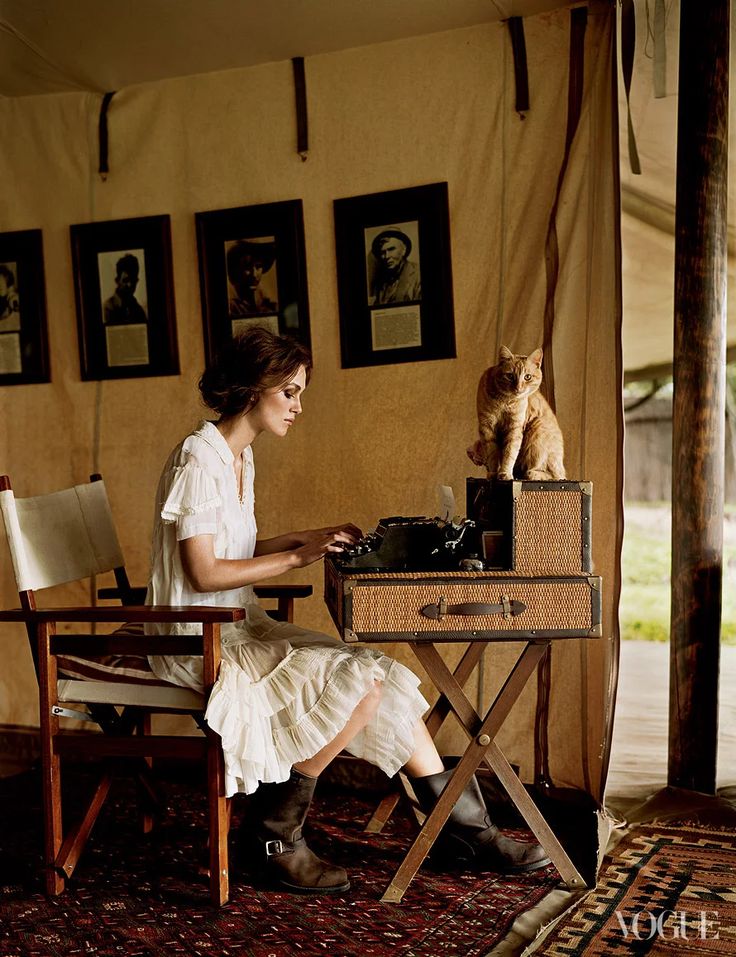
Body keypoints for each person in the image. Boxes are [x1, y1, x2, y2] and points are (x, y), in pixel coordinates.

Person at [145, 326, 548, 894]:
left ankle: (461, 829)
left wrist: (308, 537)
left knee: (376, 672)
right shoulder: (199, 458)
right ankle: (271, 834)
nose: (298, 406)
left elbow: (228, 549)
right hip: (197, 637)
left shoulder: (239, 457)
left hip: (237, 625)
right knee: (358, 686)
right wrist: (299, 559)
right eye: (289, 392)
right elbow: (203, 573)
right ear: (252, 388)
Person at [368, 227, 421, 305]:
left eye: (391, 249)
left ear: (404, 250)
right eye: (383, 252)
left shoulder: (418, 275)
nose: (386, 256)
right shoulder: (380, 282)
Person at [226, 239, 278, 317]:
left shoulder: (264, 298)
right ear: (236, 268)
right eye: (247, 266)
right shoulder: (230, 304)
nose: (254, 274)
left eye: (258, 266)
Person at [102, 253, 148, 325]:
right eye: (125, 280)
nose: (130, 285)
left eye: (133, 280)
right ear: (117, 281)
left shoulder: (139, 311)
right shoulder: (108, 308)